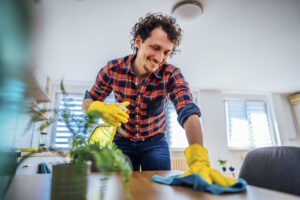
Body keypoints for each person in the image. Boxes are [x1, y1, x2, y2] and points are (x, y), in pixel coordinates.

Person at [83, 13, 235, 186]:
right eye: (155, 47)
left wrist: (198, 158)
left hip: (156, 143)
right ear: (139, 42)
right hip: (122, 141)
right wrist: (99, 107)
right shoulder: (113, 69)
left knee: (158, 190)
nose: (159, 58)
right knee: (121, 188)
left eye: (166, 52)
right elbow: (87, 102)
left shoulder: (171, 74)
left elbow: (188, 110)